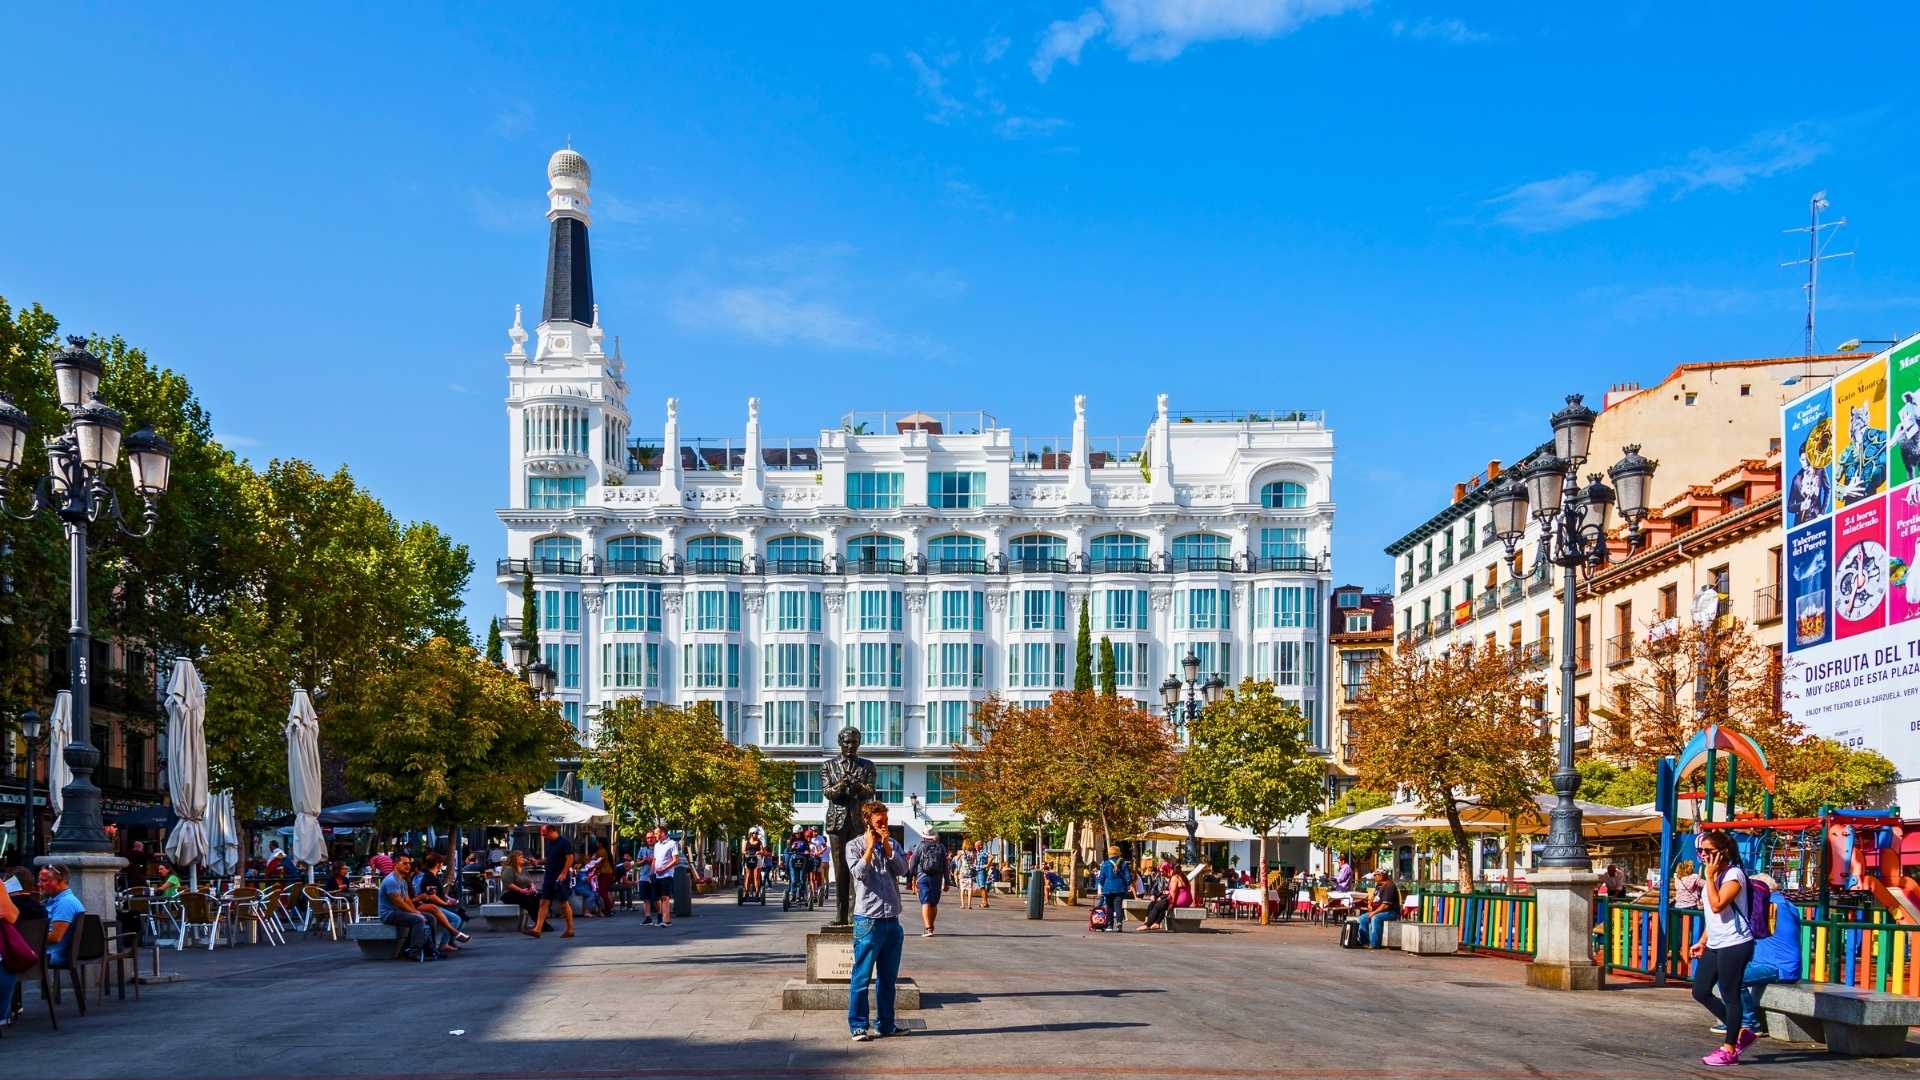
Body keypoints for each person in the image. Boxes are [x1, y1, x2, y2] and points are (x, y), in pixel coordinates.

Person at [1689, 830, 1755, 1066]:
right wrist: (1702, 941)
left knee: (1730, 993)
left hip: (1735, 942)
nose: (1704, 855)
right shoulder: (1713, 875)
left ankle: (1729, 1049)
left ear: (1723, 852)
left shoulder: (1734, 875)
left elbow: (1718, 905)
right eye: (1701, 851)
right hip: (1716, 942)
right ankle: (1740, 1032)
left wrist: (1709, 877)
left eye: (1709, 851)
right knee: (1700, 991)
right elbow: (1713, 916)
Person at [845, 801, 909, 1042]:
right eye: (879, 822)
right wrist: (870, 848)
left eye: (886, 821)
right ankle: (858, 1025)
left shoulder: (893, 844)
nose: (884, 825)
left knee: (888, 978)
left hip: (892, 918)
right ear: (867, 821)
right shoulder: (854, 845)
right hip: (868, 920)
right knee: (861, 976)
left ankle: (886, 1024)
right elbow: (858, 873)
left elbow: (903, 870)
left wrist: (887, 847)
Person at [1717, 872, 1801, 1042]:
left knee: (1732, 978)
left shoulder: (1771, 906)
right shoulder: (1784, 904)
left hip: (1778, 967)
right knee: (1725, 972)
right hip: (1774, 964)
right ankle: (1735, 1019)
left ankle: (1749, 1022)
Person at [378, 853, 438, 961]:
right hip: (389, 914)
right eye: (405, 863)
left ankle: (431, 950)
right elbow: (399, 903)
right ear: (396, 864)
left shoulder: (402, 880)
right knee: (418, 920)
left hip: (399, 912)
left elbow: (407, 900)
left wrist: (415, 911)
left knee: (430, 917)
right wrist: (416, 913)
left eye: (409, 863)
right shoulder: (391, 881)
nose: (408, 866)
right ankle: (414, 952)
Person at [526, 823, 575, 939]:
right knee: (544, 902)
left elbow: (570, 858)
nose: (543, 837)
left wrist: (564, 873)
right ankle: (537, 929)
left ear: (552, 831)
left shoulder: (564, 842)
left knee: (564, 902)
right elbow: (549, 859)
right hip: (549, 876)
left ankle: (570, 929)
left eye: (545, 834)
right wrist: (538, 862)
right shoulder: (550, 843)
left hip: (560, 877)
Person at [38, 864, 86, 974]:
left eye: (44, 880)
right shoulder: (56, 900)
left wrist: (28, 940)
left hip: (55, 955)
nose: (39, 884)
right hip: (52, 952)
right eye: (39, 880)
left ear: (60, 881)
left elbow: (55, 937)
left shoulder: (65, 902)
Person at [906, 834, 948, 937]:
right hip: (937, 879)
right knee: (933, 903)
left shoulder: (920, 846)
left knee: (925, 902)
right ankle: (931, 927)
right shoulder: (941, 847)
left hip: (922, 877)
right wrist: (947, 881)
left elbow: (913, 863)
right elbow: (945, 865)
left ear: (924, 836)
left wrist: (909, 880)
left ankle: (928, 928)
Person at [1356, 870, 1400, 949]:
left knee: (1375, 918)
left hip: (1391, 912)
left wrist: (1374, 913)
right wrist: (1369, 904)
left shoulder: (1389, 886)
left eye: (1376, 875)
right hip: (1378, 911)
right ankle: (1364, 942)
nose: (1374, 877)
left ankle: (1374, 944)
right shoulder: (1378, 886)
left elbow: (1385, 906)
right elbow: (1372, 898)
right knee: (1362, 918)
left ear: (1381, 876)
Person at [1095, 846, 1134, 932]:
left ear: (1109, 854)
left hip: (1108, 889)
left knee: (1109, 907)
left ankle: (1110, 925)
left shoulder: (1105, 864)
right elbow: (1128, 877)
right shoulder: (1123, 863)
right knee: (1118, 906)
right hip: (1120, 888)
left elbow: (1101, 878)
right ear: (1118, 853)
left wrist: (1103, 886)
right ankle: (1119, 923)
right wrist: (1127, 885)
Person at [500, 851, 543, 929]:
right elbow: (509, 884)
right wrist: (521, 890)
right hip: (509, 894)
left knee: (537, 897)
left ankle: (540, 923)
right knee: (527, 900)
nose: (523, 859)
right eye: (521, 857)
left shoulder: (523, 869)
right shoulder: (509, 869)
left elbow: (530, 881)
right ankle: (540, 924)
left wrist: (532, 888)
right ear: (514, 859)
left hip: (522, 893)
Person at [1140, 866, 1192, 931]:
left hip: (1179, 901)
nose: (1169, 872)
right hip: (1187, 901)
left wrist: (1171, 903)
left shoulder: (1174, 878)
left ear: (1172, 870)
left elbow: (1173, 892)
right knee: (1163, 905)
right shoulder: (1184, 877)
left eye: (1170, 870)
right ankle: (1157, 923)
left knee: (1157, 906)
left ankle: (1147, 925)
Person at [652, 826, 680, 927]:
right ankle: (661, 920)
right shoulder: (656, 845)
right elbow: (655, 860)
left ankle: (667, 921)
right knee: (657, 898)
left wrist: (664, 868)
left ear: (663, 833)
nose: (655, 836)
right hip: (657, 875)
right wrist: (652, 872)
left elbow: (676, 860)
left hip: (667, 875)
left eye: (656, 833)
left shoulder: (672, 843)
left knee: (665, 897)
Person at [634, 833, 657, 925]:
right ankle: (648, 917)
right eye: (648, 838)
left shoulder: (659, 849)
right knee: (645, 898)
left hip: (656, 876)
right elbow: (637, 863)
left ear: (655, 838)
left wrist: (652, 861)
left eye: (651, 837)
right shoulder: (642, 849)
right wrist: (644, 861)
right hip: (644, 876)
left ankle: (661, 917)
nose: (649, 839)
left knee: (656, 899)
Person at [742, 828, 766, 898]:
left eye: (757, 833)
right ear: (751, 834)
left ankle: (757, 892)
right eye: (754, 833)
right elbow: (743, 851)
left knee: (756, 876)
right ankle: (746, 892)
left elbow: (763, 851)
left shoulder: (759, 842)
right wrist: (746, 852)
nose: (756, 834)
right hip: (748, 859)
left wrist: (759, 852)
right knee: (748, 876)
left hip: (757, 859)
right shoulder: (746, 842)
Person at [955, 841, 978, 910]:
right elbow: (974, 862)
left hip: (963, 872)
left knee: (962, 889)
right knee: (970, 889)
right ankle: (969, 905)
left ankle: (963, 905)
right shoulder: (973, 853)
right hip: (970, 872)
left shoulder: (961, 852)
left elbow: (956, 860)